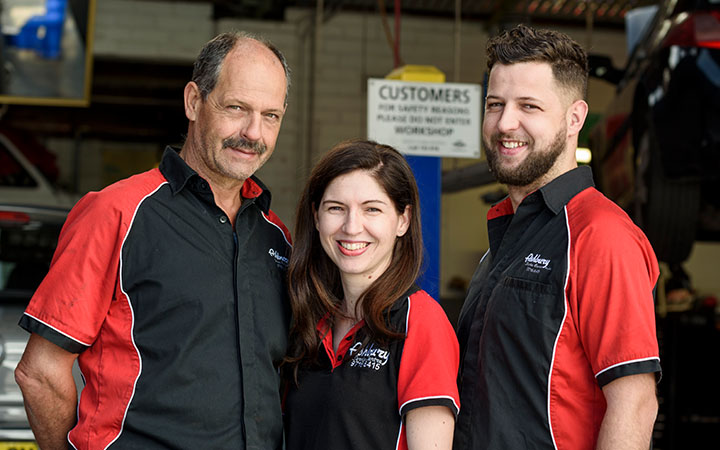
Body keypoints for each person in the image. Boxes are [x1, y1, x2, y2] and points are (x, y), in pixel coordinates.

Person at [14, 31, 292, 449]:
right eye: (237, 108)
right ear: (194, 102)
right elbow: (40, 372)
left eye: (270, 116)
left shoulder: (277, 238)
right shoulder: (117, 213)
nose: (253, 132)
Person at [453, 24, 661, 450]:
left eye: (529, 106)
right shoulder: (505, 235)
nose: (505, 122)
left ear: (575, 118)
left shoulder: (601, 235)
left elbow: (634, 402)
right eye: (496, 104)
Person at [283, 140, 460, 450]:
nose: (352, 227)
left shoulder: (419, 321)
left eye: (372, 209)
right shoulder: (309, 322)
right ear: (316, 216)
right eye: (336, 208)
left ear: (403, 220)